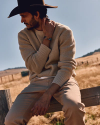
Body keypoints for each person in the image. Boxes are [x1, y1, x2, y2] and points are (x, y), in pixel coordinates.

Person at [5, 0, 85, 125]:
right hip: (36, 83)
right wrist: (47, 39)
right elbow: (34, 67)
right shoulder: (23, 35)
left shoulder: (64, 31)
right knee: (11, 120)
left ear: (36, 14)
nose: (21, 20)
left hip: (63, 82)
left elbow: (66, 68)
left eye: (23, 16)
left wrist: (47, 95)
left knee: (74, 106)